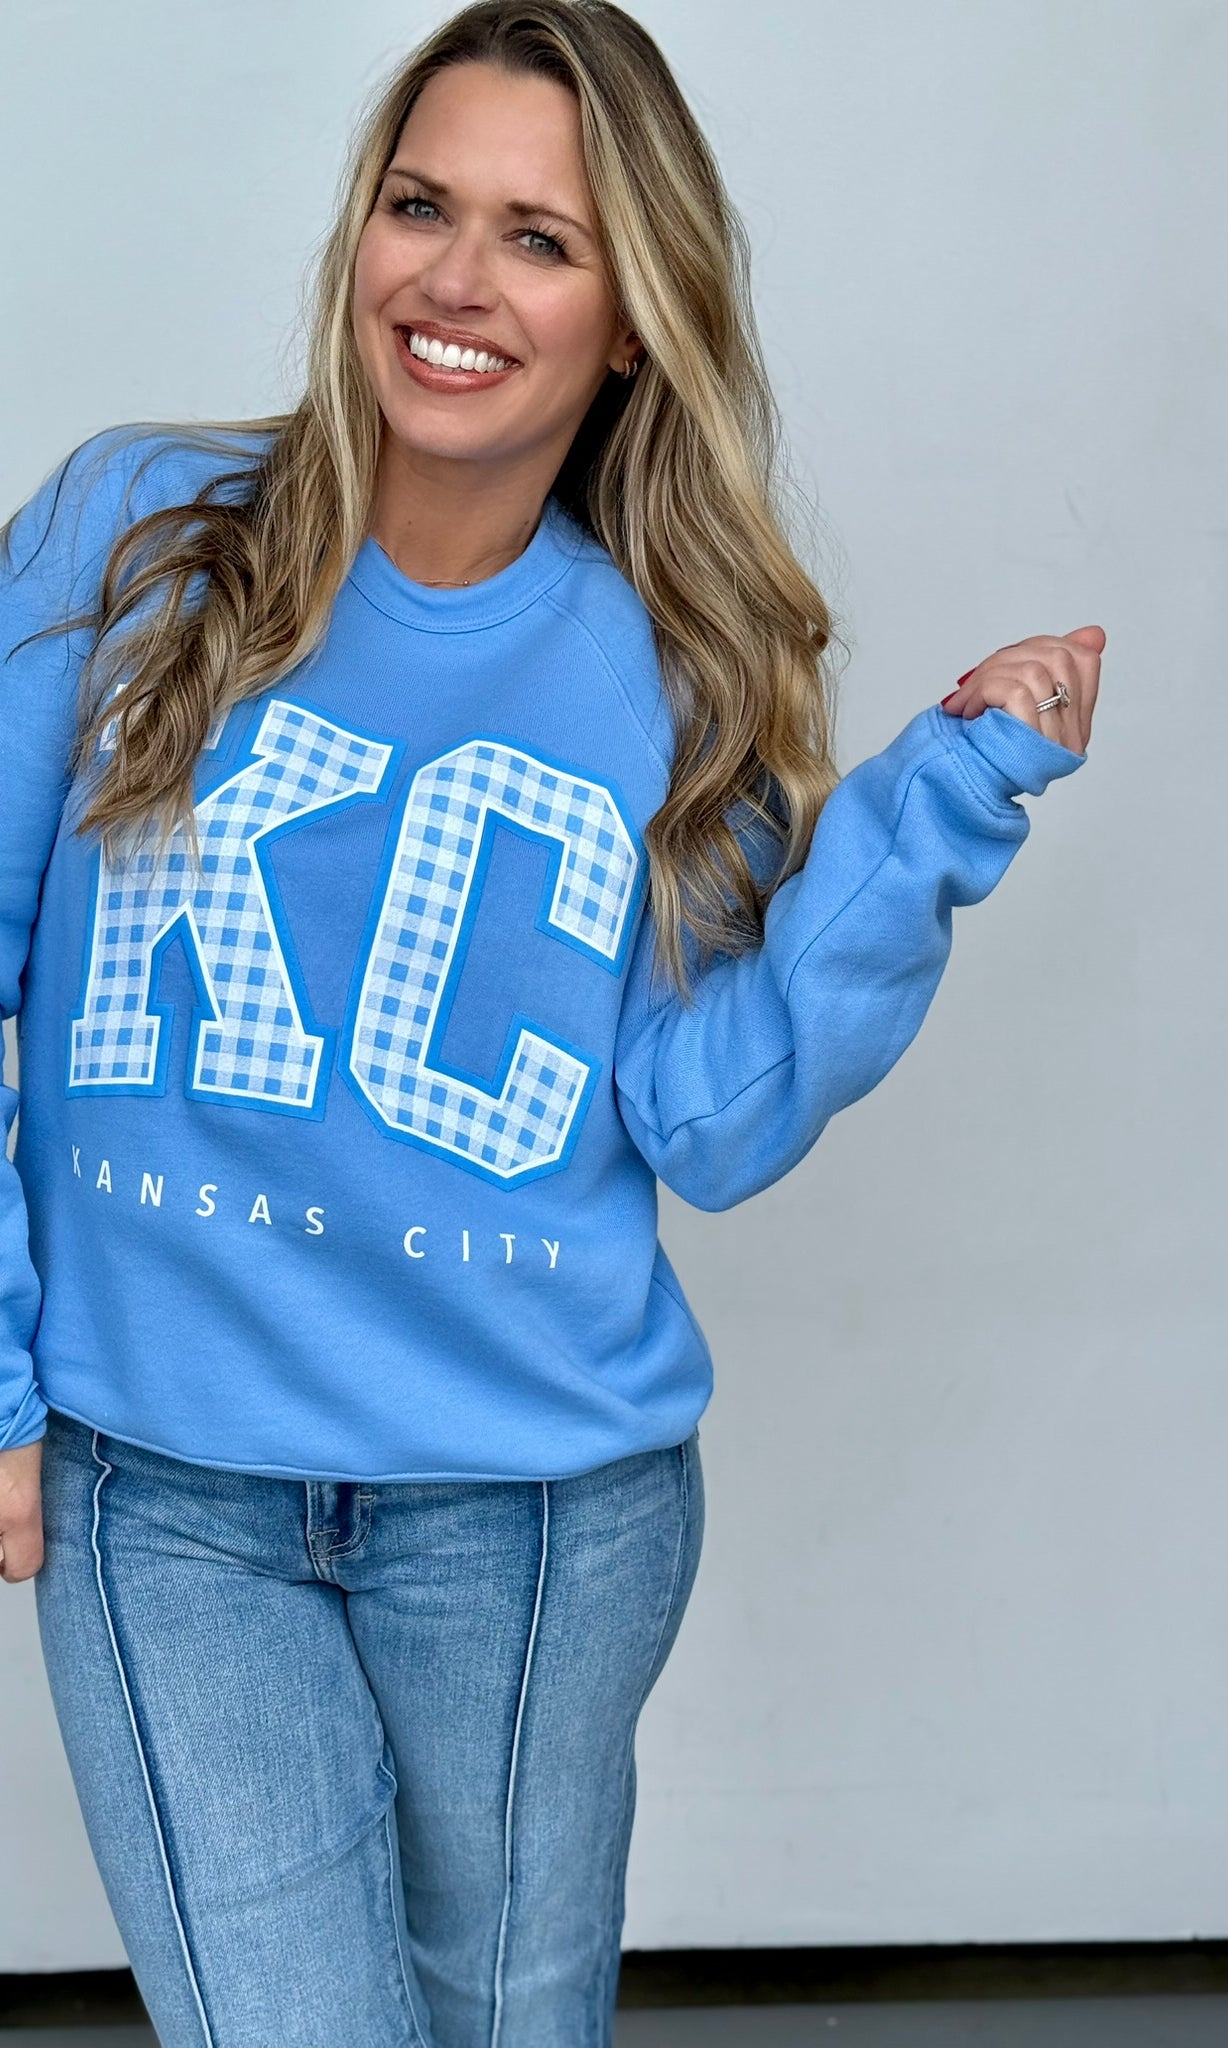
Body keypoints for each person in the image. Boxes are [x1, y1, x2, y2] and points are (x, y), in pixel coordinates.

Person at [0, 1, 1101, 2042]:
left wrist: (930, 820)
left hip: (531, 1524)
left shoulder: (675, 666)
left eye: (539, 238)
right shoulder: (129, 540)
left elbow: (709, 1116)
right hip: (165, 1495)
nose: (455, 280)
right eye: (421, 206)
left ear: (631, 322)